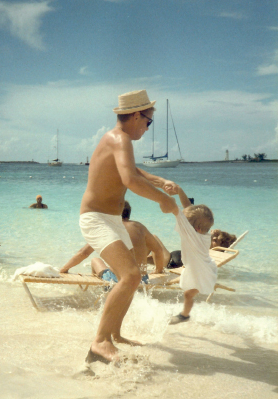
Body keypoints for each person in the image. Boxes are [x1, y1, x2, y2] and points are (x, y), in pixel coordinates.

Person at [79, 89, 177, 364]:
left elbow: (132, 171)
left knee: (131, 278)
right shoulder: (120, 139)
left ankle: (114, 335)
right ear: (136, 115)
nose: (147, 128)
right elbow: (130, 180)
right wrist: (164, 200)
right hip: (96, 218)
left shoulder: (116, 140)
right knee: (131, 276)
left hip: (109, 219)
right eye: (148, 121)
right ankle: (99, 342)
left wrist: (156, 179)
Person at [60, 201, 165, 281]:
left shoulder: (109, 228)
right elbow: (158, 250)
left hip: (118, 279)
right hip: (141, 279)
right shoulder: (139, 227)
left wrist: (64, 269)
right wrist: (158, 270)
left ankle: (103, 289)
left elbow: (83, 253)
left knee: (95, 260)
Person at [168, 185, 217, 325]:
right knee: (188, 294)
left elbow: (176, 211)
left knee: (188, 294)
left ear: (195, 228)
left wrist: (163, 198)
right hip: (204, 268)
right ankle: (185, 315)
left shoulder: (192, 235)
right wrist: (179, 191)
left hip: (201, 272)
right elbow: (188, 207)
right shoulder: (202, 233)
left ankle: (184, 316)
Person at [148, 228, 237, 270]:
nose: (212, 238)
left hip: (170, 262)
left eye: (215, 240)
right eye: (213, 237)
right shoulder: (203, 248)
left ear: (219, 248)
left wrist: (210, 236)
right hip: (169, 258)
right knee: (141, 259)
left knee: (152, 238)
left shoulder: (206, 254)